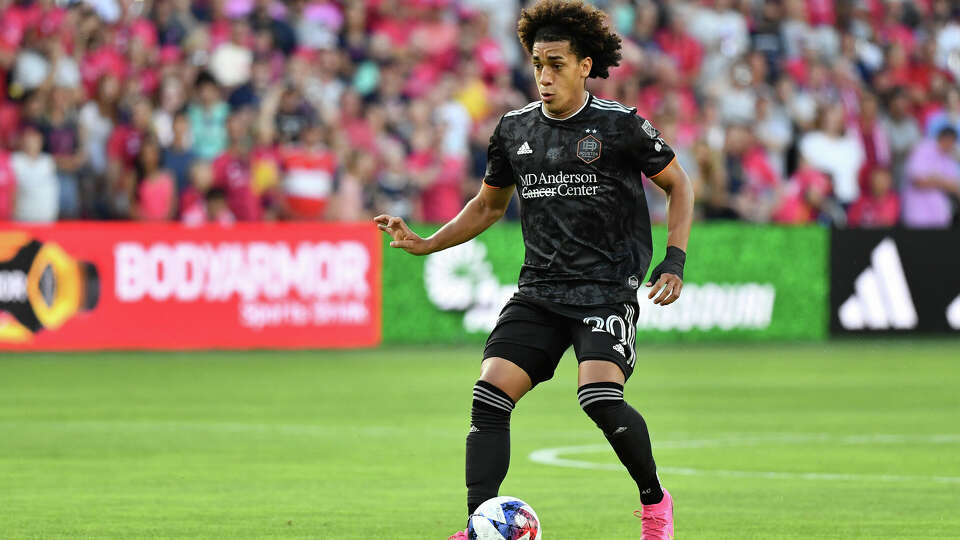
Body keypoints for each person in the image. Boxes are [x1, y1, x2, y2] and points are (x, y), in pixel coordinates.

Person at [375, 2, 693, 538]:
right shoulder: (513, 129)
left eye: (557, 64)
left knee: (597, 397)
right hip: (540, 290)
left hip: (605, 290)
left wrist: (675, 258)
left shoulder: (621, 126)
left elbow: (678, 185)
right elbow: (488, 206)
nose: (544, 76)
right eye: (537, 63)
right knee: (490, 393)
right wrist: (426, 243)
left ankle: (655, 501)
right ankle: (479, 525)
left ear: (585, 65)